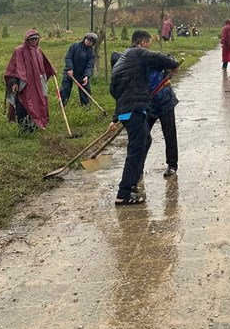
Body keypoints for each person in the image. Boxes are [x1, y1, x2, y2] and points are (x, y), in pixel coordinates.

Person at [109, 30, 180, 205]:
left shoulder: (132, 63)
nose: (148, 47)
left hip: (161, 101)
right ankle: (126, 189)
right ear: (142, 44)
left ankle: (168, 165)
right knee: (137, 147)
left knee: (148, 140)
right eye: (147, 43)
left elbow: (116, 93)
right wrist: (115, 117)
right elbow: (124, 93)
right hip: (140, 107)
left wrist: (172, 67)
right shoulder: (137, 58)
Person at [4, 29, 56, 134]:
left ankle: (34, 126)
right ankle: (23, 128)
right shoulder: (19, 51)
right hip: (23, 84)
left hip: (37, 84)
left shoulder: (38, 50)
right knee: (23, 104)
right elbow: (13, 68)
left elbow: (45, 65)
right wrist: (14, 82)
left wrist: (51, 70)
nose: (34, 41)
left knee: (36, 103)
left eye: (36, 39)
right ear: (27, 39)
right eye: (31, 39)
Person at [145, 63, 179, 179]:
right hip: (149, 105)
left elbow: (171, 62)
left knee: (169, 134)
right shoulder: (134, 69)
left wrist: (173, 69)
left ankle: (172, 165)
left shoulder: (154, 60)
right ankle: (137, 167)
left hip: (165, 101)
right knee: (143, 136)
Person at [59, 32, 97, 107]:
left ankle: (86, 106)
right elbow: (68, 57)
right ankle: (63, 105)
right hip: (69, 71)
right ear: (84, 39)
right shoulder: (74, 46)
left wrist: (87, 75)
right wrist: (70, 68)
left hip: (82, 73)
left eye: (90, 41)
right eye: (87, 39)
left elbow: (90, 66)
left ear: (93, 43)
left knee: (86, 89)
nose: (88, 41)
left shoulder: (91, 53)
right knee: (65, 89)